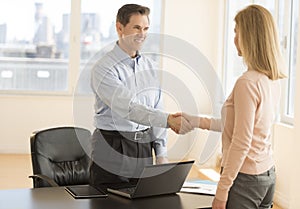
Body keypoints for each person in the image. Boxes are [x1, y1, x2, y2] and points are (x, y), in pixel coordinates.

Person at [183, 5, 285, 209]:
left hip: (246, 179)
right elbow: (238, 126)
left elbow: (241, 140)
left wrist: (222, 191)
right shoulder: (271, 79)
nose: (235, 39)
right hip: (267, 175)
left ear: (249, 37)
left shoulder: (246, 83)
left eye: (237, 33)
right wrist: (195, 121)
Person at [90, 4, 193, 190]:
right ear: (119, 28)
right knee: (109, 203)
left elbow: (156, 109)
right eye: (136, 28)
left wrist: (160, 153)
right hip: (113, 146)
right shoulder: (104, 68)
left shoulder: (151, 67)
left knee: (143, 200)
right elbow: (129, 108)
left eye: (145, 28)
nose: (142, 34)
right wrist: (169, 120)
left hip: (143, 147)